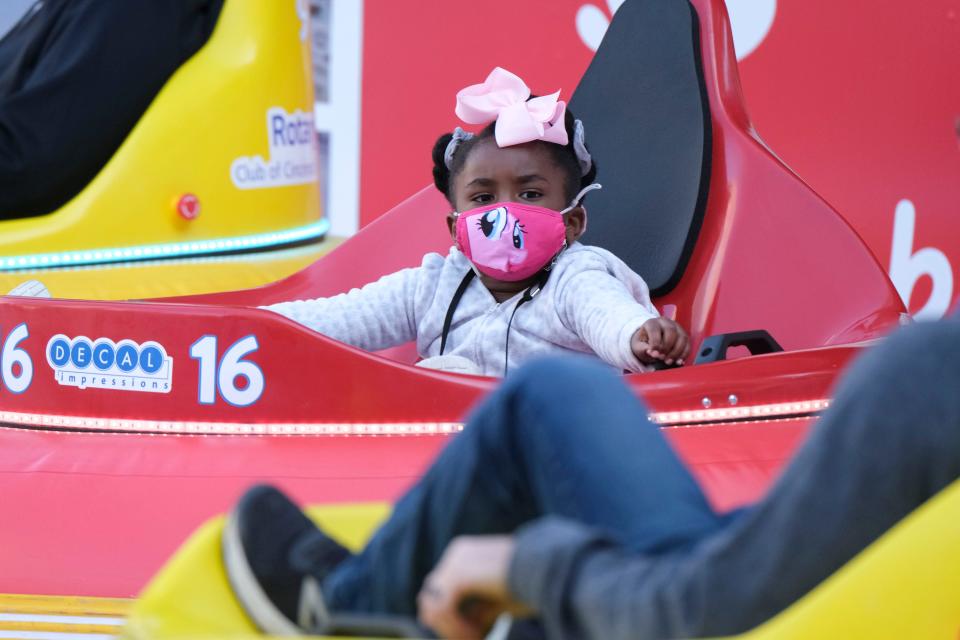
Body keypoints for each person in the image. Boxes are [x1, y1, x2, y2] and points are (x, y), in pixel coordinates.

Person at [223, 317, 960, 639]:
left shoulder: (931, 374)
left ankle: (348, 606)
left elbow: (706, 619)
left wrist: (531, 566)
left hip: (703, 611)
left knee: (552, 396)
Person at [263, 67, 689, 376]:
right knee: (442, 373)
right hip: (456, 459)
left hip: (553, 452)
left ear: (573, 222)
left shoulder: (576, 277)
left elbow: (608, 316)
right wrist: (251, 325)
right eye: (483, 198)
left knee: (444, 373)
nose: (504, 213)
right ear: (456, 229)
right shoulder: (432, 286)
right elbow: (340, 320)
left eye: (530, 194)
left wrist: (640, 337)